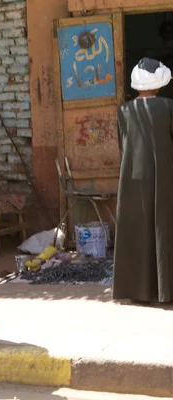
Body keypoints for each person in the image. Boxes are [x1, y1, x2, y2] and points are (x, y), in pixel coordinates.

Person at [114, 57, 173, 304]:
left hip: (132, 177)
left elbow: (123, 144)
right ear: (159, 85)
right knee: (164, 229)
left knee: (135, 230)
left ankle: (134, 291)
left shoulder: (123, 111)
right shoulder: (169, 107)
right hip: (165, 177)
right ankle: (165, 292)